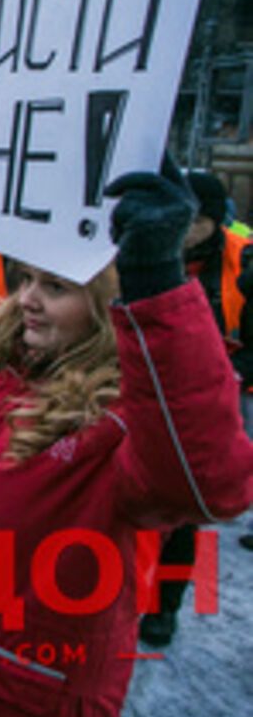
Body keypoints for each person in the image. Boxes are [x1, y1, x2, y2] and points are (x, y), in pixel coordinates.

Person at [0, 155, 253, 717]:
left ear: (106, 304)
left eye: (56, 286)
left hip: (23, 712)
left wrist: (156, 281)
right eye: (26, 278)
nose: (27, 298)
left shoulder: (123, 421)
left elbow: (212, 485)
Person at [137, 170, 253, 645]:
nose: (184, 233)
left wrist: (230, 371)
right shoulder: (149, 250)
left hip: (217, 395)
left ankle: (165, 606)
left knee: (185, 510)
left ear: (213, 221)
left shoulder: (242, 260)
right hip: (150, 391)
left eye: (195, 223)